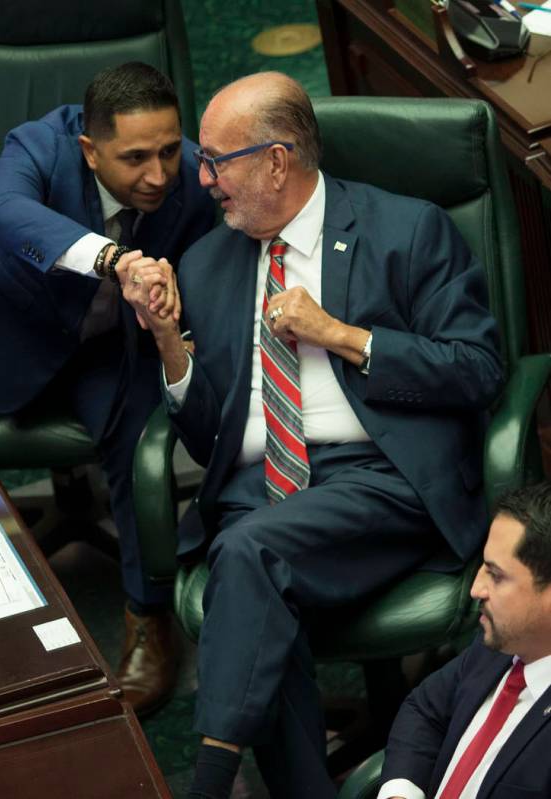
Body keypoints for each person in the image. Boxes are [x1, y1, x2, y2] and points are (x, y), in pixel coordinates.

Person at [123, 71, 503, 797]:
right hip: (256, 487)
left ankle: (207, 778)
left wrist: (341, 334)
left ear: (276, 159)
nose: (200, 179)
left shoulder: (404, 229)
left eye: (216, 160)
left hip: (377, 474)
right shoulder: (208, 263)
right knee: (262, 588)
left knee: (249, 553)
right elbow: (207, 440)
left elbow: (478, 369)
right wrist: (170, 341)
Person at [0, 61, 215, 715]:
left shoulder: (192, 175)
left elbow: (215, 262)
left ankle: (148, 616)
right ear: (89, 149)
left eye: (166, 151)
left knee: (138, 457)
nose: (157, 175)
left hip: (110, 349)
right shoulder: (42, 144)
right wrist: (112, 258)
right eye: (134, 159)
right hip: (0, 331)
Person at [377, 481, 551, 799]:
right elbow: (425, 710)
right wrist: (401, 791)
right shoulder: (497, 645)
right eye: (482, 566)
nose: (475, 589)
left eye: (496, 575)